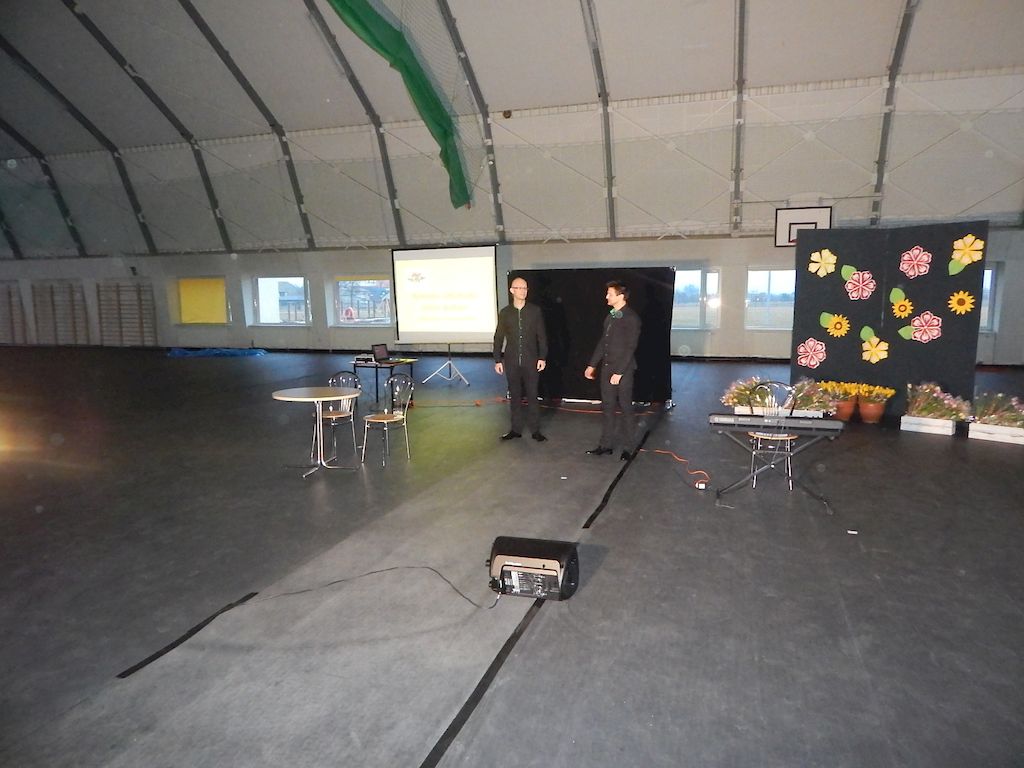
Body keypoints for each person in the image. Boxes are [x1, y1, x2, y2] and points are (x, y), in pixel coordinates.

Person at [584, 280, 641, 460]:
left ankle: (628, 448)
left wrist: (620, 372)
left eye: (610, 294)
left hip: (623, 371)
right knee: (607, 407)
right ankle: (605, 445)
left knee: (625, 407)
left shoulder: (631, 318)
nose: (606, 296)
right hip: (607, 369)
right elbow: (603, 342)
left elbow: (631, 347)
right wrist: (592, 364)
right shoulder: (611, 316)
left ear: (621, 296)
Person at [493, 277, 548, 441]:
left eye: (525, 288)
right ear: (512, 290)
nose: (523, 291)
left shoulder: (534, 311)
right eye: (520, 288)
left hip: (531, 360)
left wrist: (542, 357)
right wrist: (497, 359)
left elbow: (542, 336)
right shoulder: (505, 313)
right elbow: (498, 337)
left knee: (532, 395)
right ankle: (515, 429)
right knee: (515, 395)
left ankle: (535, 430)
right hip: (511, 360)